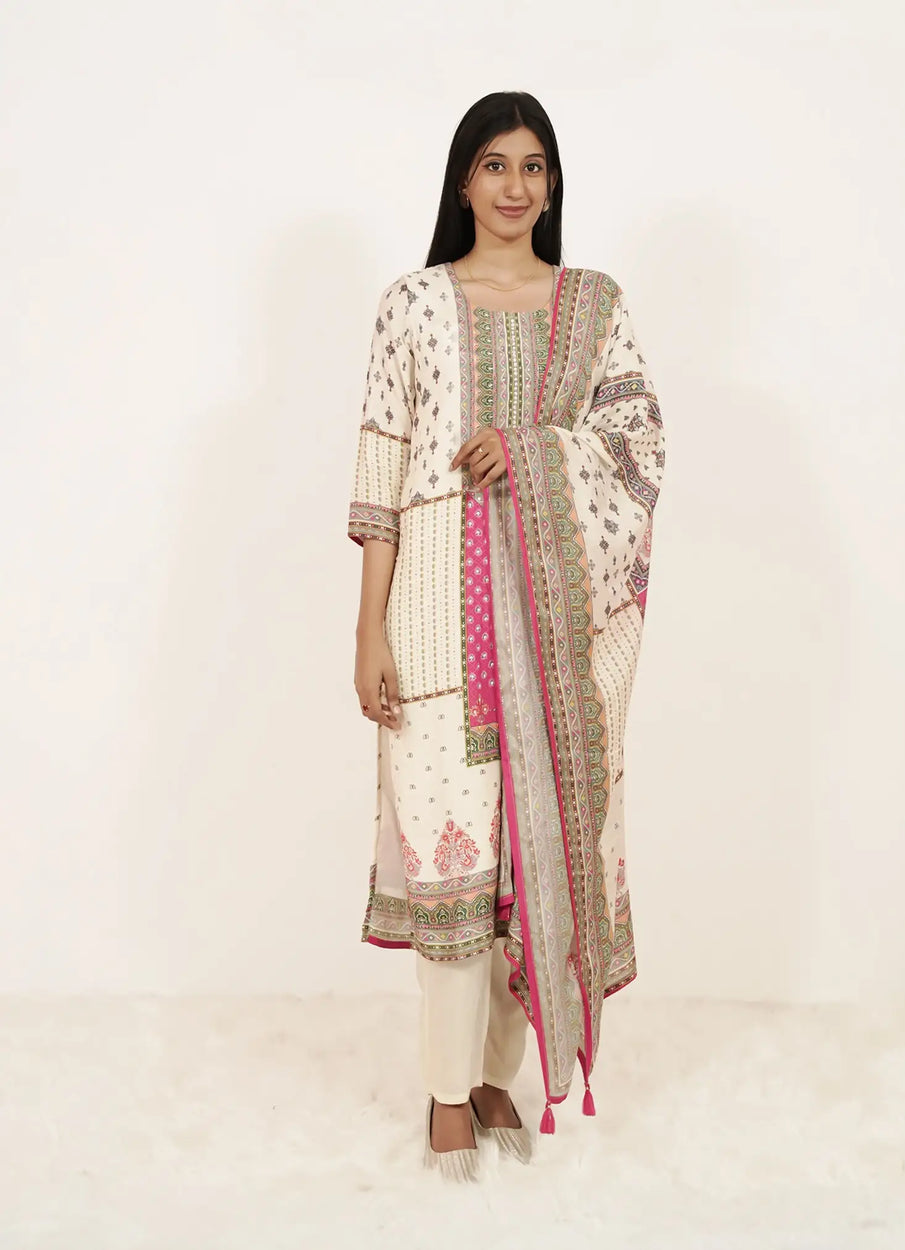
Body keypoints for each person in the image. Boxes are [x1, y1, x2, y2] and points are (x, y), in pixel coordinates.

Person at [348, 90, 665, 1182]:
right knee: (453, 857)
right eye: (494, 164)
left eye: (533, 166)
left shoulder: (594, 305)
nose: (515, 186)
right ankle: (447, 1091)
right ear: (462, 180)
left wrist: (529, 447)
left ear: (553, 182)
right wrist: (367, 629)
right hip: (435, 621)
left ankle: (494, 1076)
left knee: (533, 859)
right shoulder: (412, 304)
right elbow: (381, 469)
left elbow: (636, 448)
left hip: (551, 631)